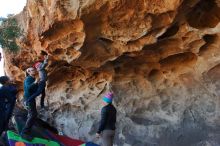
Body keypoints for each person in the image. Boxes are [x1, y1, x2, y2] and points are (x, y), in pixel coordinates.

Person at [21, 67, 38, 141]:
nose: (34, 70)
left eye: (34, 69)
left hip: (31, 98)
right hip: (28, 99)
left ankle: (27, 130)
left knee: (32, 114)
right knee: (33, 114)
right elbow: (28, 88)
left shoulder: (32, 78)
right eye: (32, 70)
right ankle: (24, 133)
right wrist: (35, 82)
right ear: (29, 72)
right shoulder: (28, 79)